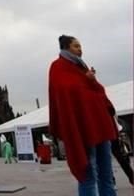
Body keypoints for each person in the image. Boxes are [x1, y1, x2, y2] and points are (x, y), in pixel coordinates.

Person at [49, 34, 118, 196]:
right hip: (83, 129)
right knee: (88, 176)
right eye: (76, 46)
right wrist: (86, 81)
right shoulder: (58, 67)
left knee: (106, 174)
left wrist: (91, 81)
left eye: (80, 46)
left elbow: (96, 92)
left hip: (100, 126)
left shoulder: (81, 67)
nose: (80, 49)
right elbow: (67, 94)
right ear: (66, 48)